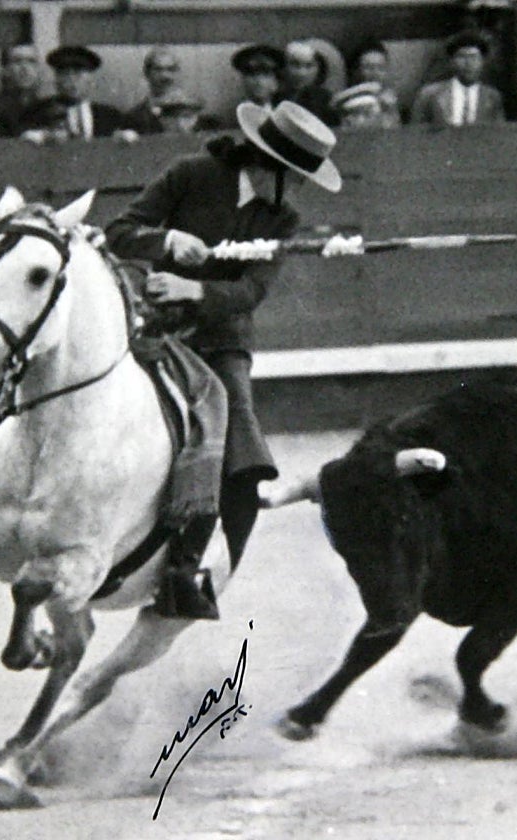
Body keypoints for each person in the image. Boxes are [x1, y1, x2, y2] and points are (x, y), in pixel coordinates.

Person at [103, 100, 342, 619]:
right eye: (297, 176)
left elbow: (251, 291)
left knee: (239, 444)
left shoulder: (283, 216)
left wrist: (196, 288)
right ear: (270, 167)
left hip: (220, 339)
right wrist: (165, 238)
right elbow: (118, 231)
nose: (299, 189)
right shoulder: (192, 173)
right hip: (150, 324)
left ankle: (188, 568)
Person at [19, 45, 127, 143]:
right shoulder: (35, 113)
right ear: (56, 79)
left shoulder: (110, 117)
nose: (71, 81)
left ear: (91, 79)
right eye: (64, 74)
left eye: (78, 74)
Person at [410, 29, 504, 127]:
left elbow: (499, 134)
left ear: (482, 62)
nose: (468, 63)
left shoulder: (492, 97)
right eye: (462, 57)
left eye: (474, 57)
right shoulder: (429, 94)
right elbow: (416, 133)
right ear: (452, 61)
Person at [124, 46, 193, 134]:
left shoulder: (193, 110)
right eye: (158, 70)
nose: (165, 76)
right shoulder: (133, 117)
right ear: (146, 73)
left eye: (171, 69)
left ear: (178, 73)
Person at [0, 42, 43, 138]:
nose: (25, 68)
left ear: (38, 69)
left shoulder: (46, 108)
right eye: (17, 61)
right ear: (5, 70)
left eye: (31, 61)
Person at [279, 40, 336, 125]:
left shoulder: (325, 100)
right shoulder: (275, 96)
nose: (301, 73)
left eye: (309, 66)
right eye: (295, 65)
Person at [348, 39, 401, 127]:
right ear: (357, 70)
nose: (375, 73)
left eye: (380, 68)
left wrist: (391, 110)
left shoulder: (393, 99)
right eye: (368, 67)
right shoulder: (348, 101)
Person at [231, 44, 284, 116]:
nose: (258, 81)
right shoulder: (234, 115)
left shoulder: (284, 115)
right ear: (243, 80)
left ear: (276, 82)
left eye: (266, 74)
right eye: (251, 74)